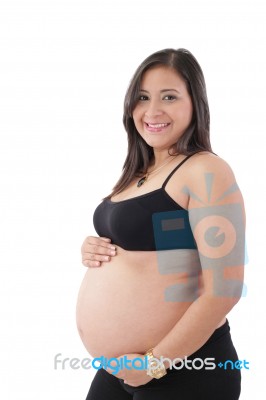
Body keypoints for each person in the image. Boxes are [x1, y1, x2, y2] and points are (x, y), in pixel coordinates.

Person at [76, 48, 246, 400]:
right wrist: (95, 249)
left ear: (194, 103)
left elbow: (225, 288)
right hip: (120, 371)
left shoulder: (205, 170)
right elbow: (152, 255)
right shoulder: (139, 173)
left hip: (185, 368)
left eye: (169, 97)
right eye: (142, 98)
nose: (152, 111)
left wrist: (154, 364)